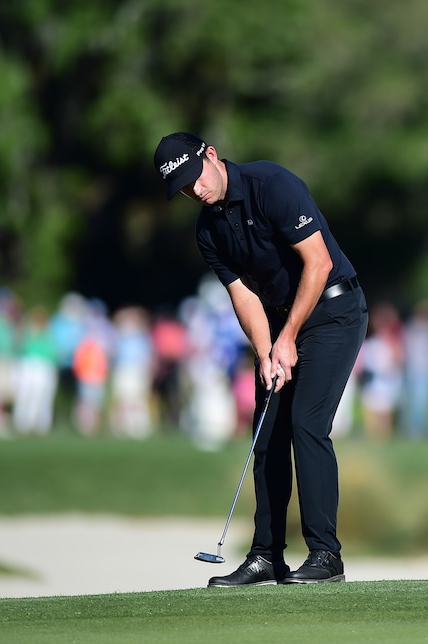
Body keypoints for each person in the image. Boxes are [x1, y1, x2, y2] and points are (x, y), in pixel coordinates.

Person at [154, 132, 368, 587]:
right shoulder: (207, 230)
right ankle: (266, 555)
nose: (196, 191)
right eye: (185, 189)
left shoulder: (271, 185)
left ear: (210, 155)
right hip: (278, 321)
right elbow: (244, 295)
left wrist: (288, 337)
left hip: (334, 312)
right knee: (267, 434)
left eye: (196, 178)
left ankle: (326, 555)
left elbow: (319, 263)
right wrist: (266, 349)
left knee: (306, 425)